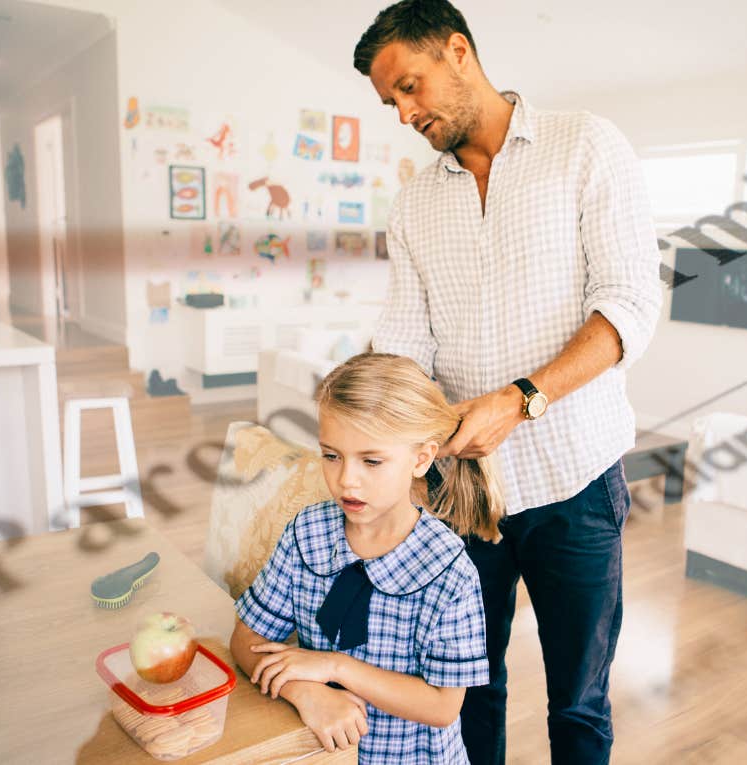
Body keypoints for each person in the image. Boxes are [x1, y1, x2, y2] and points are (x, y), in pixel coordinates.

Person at [353, 1, 663, 762]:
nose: (404, 112)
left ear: (459, 51)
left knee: (579, 705)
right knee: (467, 691)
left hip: (576, 485)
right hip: (463, 496)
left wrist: (522, 398)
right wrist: (364, 423)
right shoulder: (415, 203)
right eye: (392, 100)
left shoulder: (585, 145)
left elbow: (627, 305)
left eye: (411, 87)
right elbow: (403, 340)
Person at [230, 352, 506, 764]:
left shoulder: (450, 572)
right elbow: (246, 639)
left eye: (371, 461)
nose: (346, 480)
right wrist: (304, 691)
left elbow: (442, 706)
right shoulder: (306, 532)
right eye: (331, 455)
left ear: (421, 458)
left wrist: (336, 668)